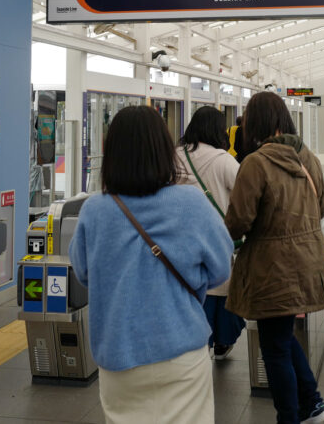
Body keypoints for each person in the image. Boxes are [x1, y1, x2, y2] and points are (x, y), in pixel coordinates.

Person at [69, 105, 233, 424]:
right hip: (182, 351)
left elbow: (84, 272)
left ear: (111, 153)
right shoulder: (192, 202)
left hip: (118, 356)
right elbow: (220, 269)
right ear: (164, 151)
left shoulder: (95, 211)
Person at [225, 91, 324, 424]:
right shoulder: (308, 158)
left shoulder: (255, 163)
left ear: (253, 122)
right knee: (281, 337)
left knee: (274, 348)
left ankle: (290, 416)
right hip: (307, 261)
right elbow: (323, 208)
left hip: (272, 267)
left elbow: (239, 220)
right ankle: (313, 402)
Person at [176, 106, 245, 360]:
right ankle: (221, 341)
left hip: (180, 245)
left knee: (191, 296)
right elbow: (243, 196)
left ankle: (194, 346)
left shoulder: (174, 156)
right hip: (216, 242)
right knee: (220, 296)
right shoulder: (224, 160)